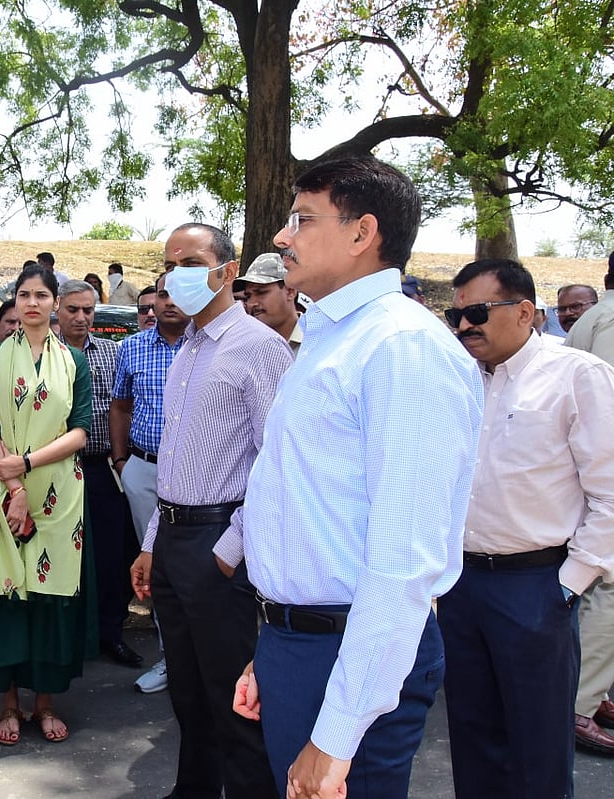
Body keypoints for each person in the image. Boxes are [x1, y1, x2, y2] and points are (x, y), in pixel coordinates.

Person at [221, 156, 484, 799]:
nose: (282, 237)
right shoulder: (332, 340)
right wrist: (275, 642)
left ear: (363, 233)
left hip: (350, 660)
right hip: (303, 646)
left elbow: (404, 562)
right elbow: (312, 515)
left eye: (303, 220)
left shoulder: (402, 347)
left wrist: (337, 736)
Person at [441, 258, 614, 793]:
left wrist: (567, 585)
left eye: (476, 312)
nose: (465, 325)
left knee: (537, 744)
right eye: (456, 314)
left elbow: (609, 491)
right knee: (471, 738)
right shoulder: (459, 382)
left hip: (536, 585)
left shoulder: (576, 375)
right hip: (461, 586)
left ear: (523, 312)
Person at [127, 223, 288, 799]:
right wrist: (151, 543)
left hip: (221, 540)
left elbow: (278, 461)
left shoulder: (258, 347)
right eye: (170, 264)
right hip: (173, 538)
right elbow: (173, 455)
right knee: (189, 692)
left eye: (191, 261)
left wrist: (230, 548)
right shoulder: (187, 349)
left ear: (226, 269)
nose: (177, 275)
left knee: (233, 697)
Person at [0, 264, 96, 747]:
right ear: (13, 302)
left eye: (41, 295)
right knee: (7, 597)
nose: (32, 303)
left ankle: (45, 703)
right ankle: (10, 704)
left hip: (59, 492)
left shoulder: (74, 362)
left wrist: (29, 462)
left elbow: (80, 431)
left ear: (55, 302)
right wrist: (15, 487)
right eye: (23, 295)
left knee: (50, 599)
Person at [110, 272, 190, 694]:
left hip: (198, 478)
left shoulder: (208, 346)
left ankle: (199, 658)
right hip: (144, 468)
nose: (170, 301)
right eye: (162, 294)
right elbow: (121, 406)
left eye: (178, 293)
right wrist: (122, 462)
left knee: (196, 565)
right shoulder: (133, 348)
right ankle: (169, 656)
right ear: (152, 302)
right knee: (154, 565)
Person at [56, 279, 140, 668]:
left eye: (88, 310)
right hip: (55, 470)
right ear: (58, 309)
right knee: (63, 556)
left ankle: (110, 632)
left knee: (109, 554)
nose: (81, 318)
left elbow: (123, 406)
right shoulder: (44, 354)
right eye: (73, 310)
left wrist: (121, 460)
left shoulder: (112, 352)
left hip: (102, 467)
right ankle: (68, 635)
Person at [565, 256, 614, 754]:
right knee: (608, 588)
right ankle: (578, 703)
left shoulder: (592, 320)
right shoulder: (609, 319)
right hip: (600, 468)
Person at [233, 252, 302, 353]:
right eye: (248, 296)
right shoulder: (242, 345)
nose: (252, 303)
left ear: (290, 292)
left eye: (261, 292)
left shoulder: (318, 340)